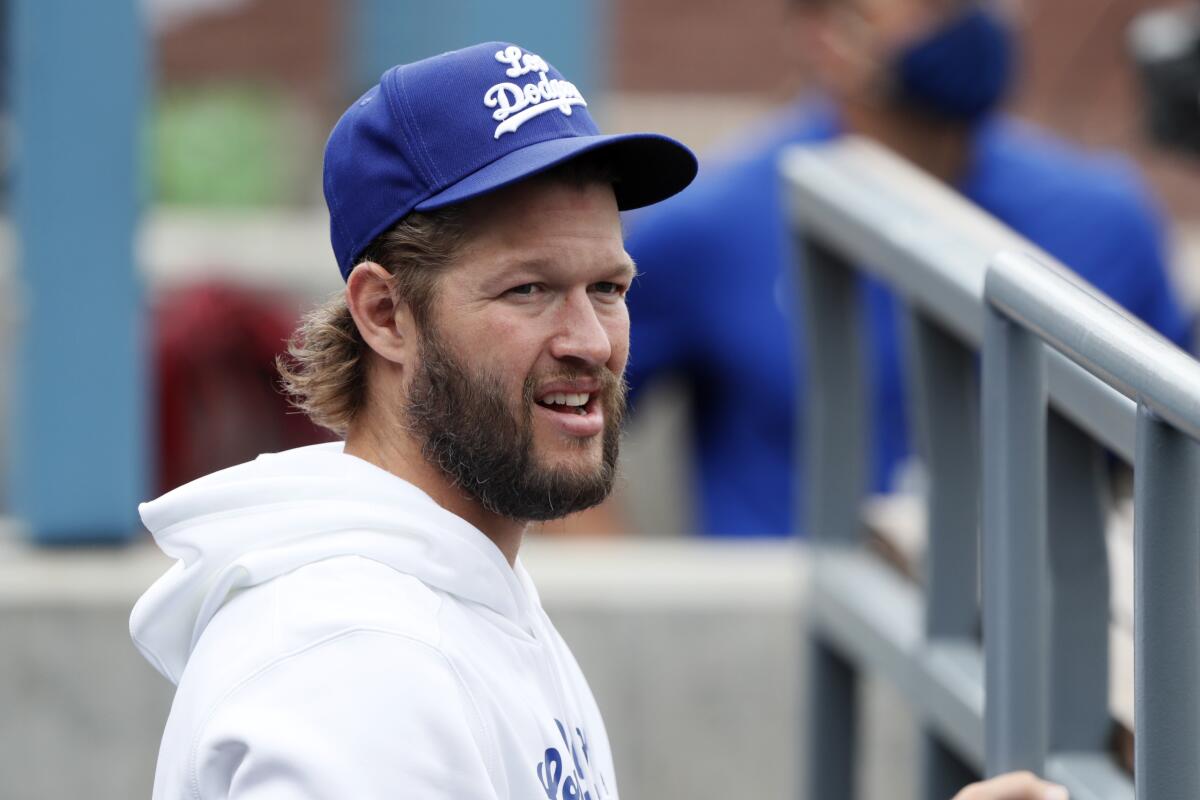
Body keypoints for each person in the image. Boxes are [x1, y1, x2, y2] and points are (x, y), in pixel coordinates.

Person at [129, 41, 1065, 800]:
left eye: (609, 288)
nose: (591, 340)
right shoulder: (356, 668)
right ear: (383, 314)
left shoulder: (457, 587)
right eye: (528, 289)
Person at [621, 0, 1194, 537]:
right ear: (829, 37)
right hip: (788, 623)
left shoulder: (1104, 220)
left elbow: (1180, 451)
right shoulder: (715, 224)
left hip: (1039, 629)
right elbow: (554, 422)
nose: (970, 20)